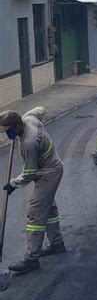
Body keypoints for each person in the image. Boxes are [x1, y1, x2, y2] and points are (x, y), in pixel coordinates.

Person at [0, 107, 65, 274]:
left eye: (9, 131)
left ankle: (31, 259)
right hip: (51, 166)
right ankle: (57, 244)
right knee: (48, 208)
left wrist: (13, 184)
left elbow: (29, 173)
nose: (7, 135)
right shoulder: (29, 117)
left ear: (17, 126)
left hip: (48, 173)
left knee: (35, 213)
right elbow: (41, 109)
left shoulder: (29, 142)